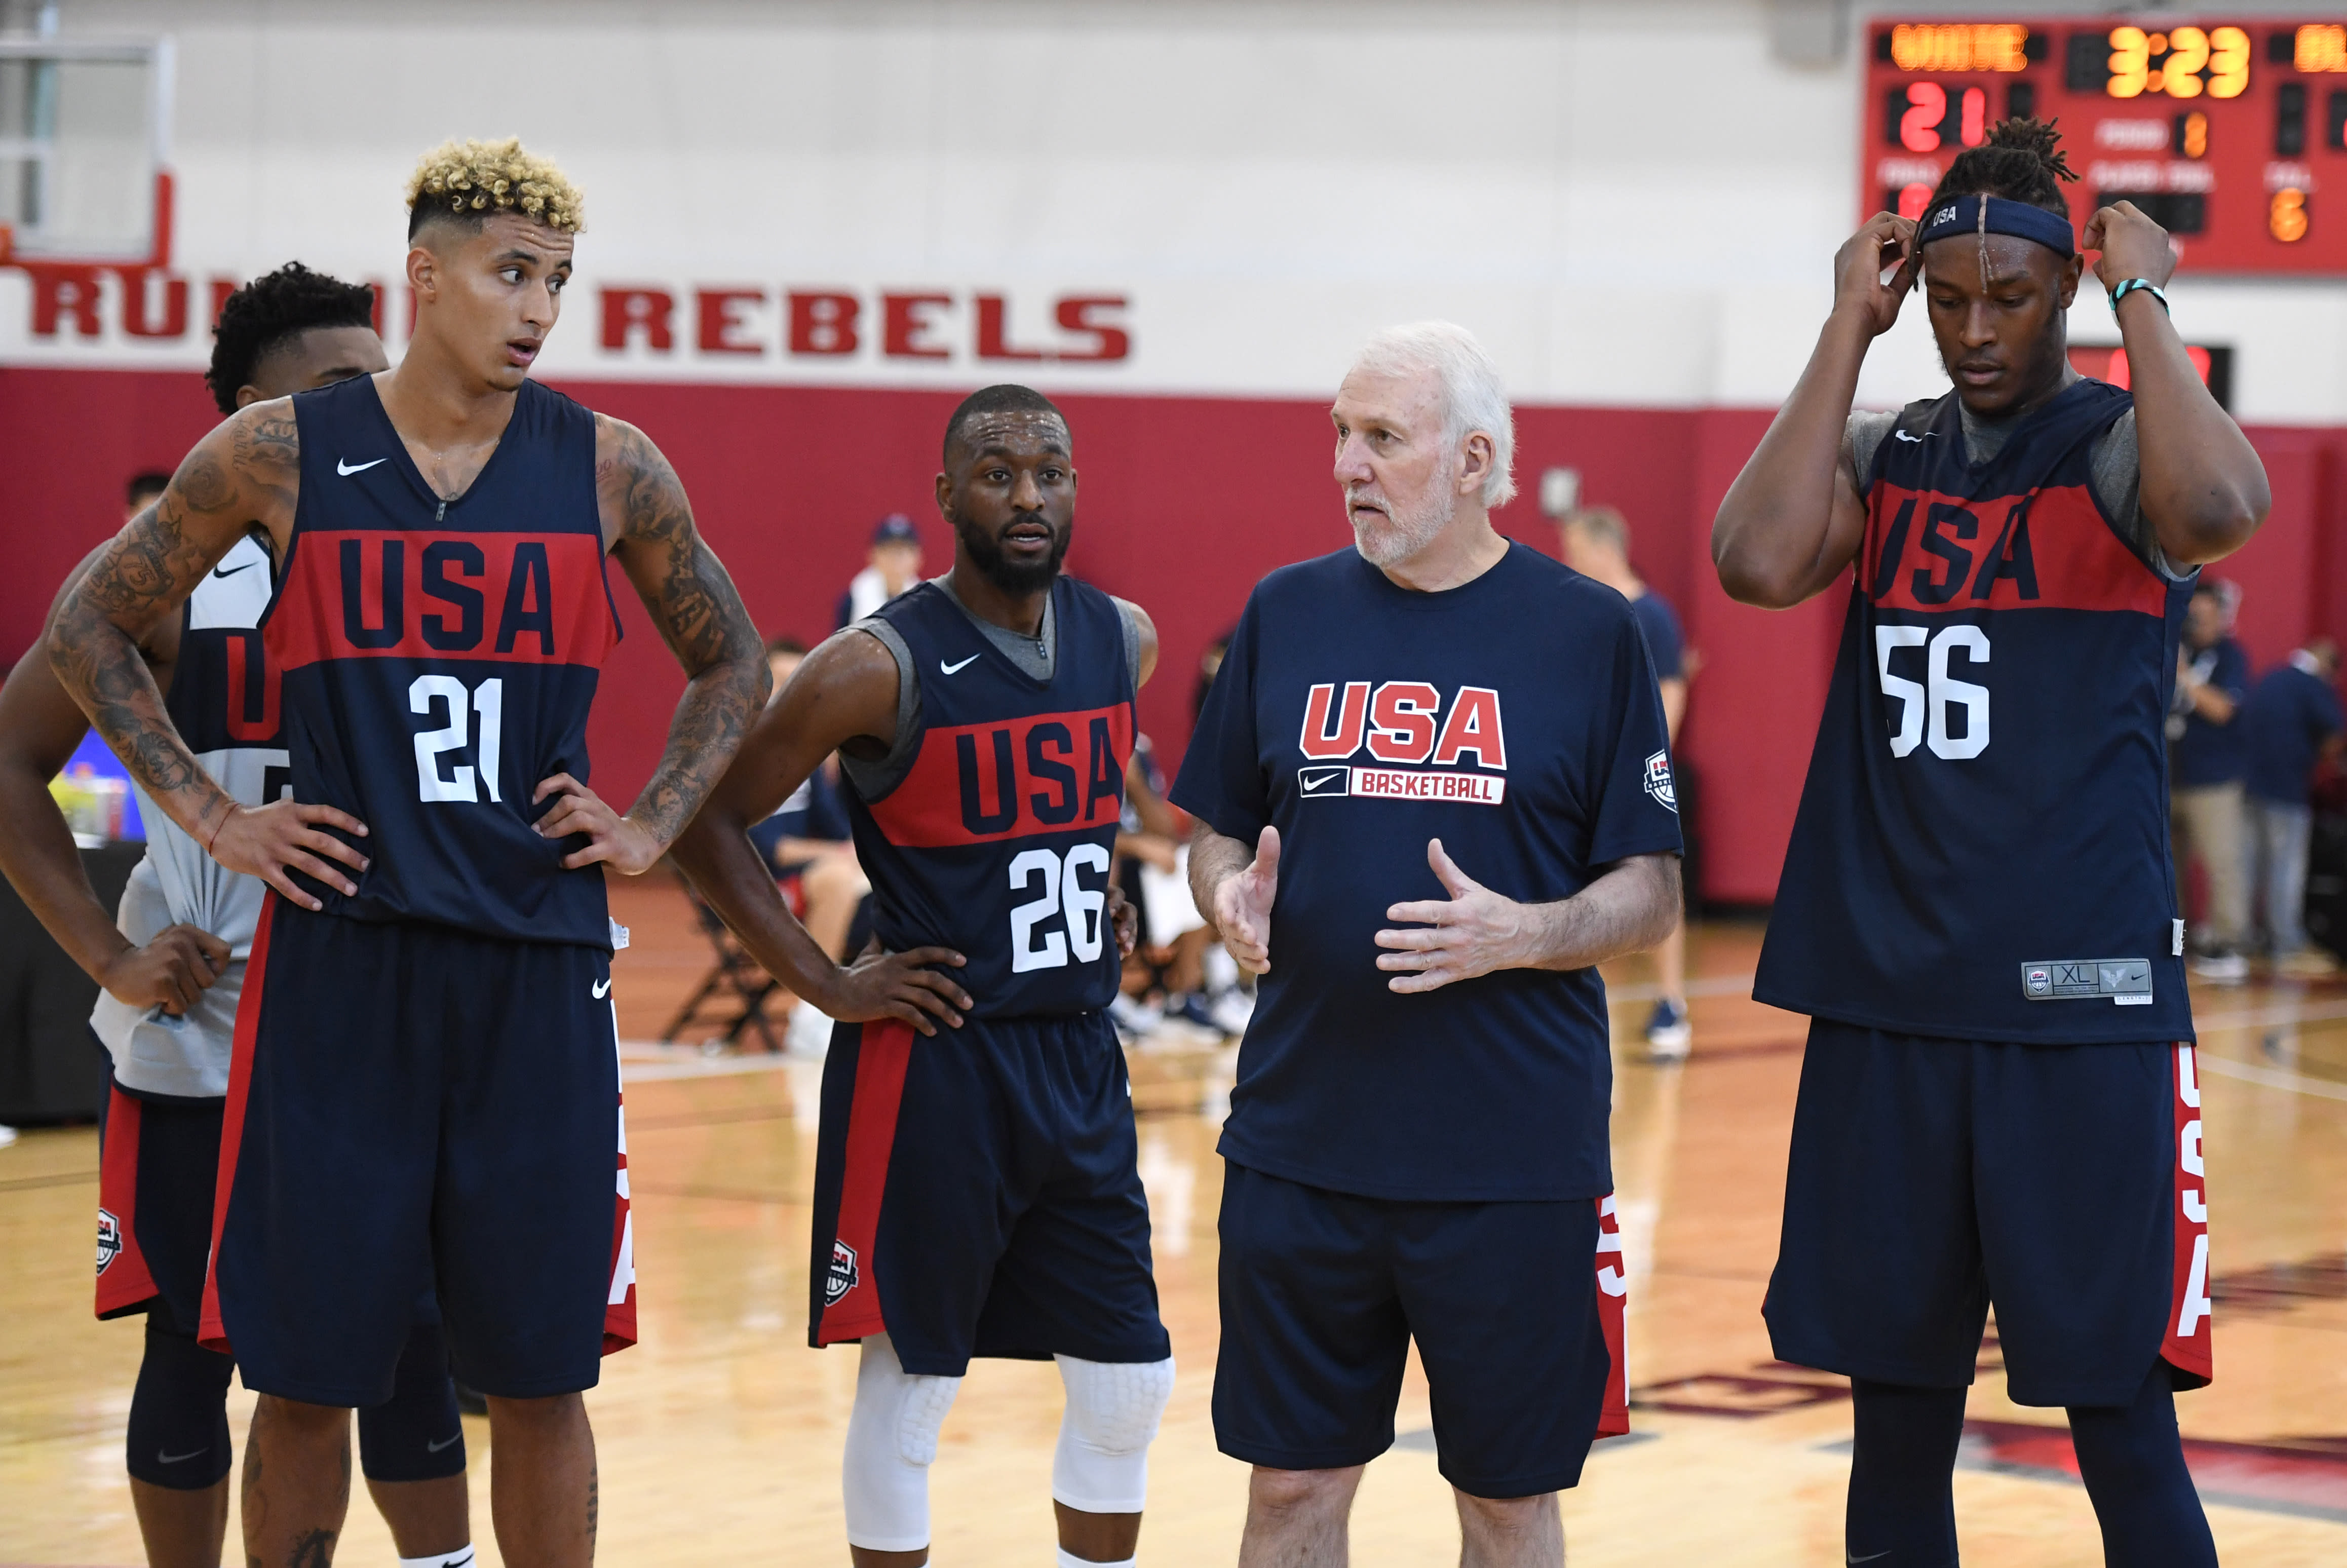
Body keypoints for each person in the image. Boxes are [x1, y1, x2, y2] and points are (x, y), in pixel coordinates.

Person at [44, 138, 769, 1568]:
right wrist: (209, 812)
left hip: (535, 966)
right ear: (424, 276)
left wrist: (650, 818)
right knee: (304, 1373)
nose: (538, 307)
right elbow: (85, 623)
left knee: (545, 1371)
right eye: (511, 272)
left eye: (557, 279)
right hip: (342, 968)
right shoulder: (277, 451)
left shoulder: (610, 462)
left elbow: (735, 659)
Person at [1712, 119, 2268, 1567]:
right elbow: (1756, 560)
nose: (1972, 330)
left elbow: (2221, 508)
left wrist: (2148, 297)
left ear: (2063, 290)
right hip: (1890, 1000)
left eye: (2006, 298)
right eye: (1946, 300)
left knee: (2118, 1421)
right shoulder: (1889, 451)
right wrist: (1850, 316)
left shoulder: (2116, 450)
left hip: (2079, 1015)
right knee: (1895, 1421)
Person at [1175, 322, 1682, 1567]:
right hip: (1302, 1147)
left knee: (1505, 1503)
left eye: (1380, 439)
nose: (1346, 464)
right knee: (1288, 1492)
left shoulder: (1586, 631)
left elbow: (1651, 888)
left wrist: (1529, 932)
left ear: (1470, 459)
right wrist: (1226, 890)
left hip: (1509, 1162)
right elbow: (1211, 834)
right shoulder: (1284, 612)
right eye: (1338, 436)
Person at [0, 262, 475, 1568]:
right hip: (210, 1034)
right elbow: (9, 757)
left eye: (377, 382)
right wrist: (106, 953)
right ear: (245, 418)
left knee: (412, 1338)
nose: (372, 407)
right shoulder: (154, 583)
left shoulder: (436, 554)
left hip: (386, 1022)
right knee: (189, 1344)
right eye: (338, 387)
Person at [673, 385, 1173, 1568]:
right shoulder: (873, 663)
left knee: (1128, 1382)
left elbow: (1105, 806)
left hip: (1078, 1056)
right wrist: (825, 982)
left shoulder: (1123, 637)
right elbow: (708, 824)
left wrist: (1119, 874)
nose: (1028, 496)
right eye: (997, 475)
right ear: (946, 495)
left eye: (1050, 471)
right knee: (912, 1386)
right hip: (938, 1063)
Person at [1560, 504, 1697, 1060]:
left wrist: (1633, 771)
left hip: (1635, 781)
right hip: (1582, 777)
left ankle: (1672, 1004)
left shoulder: (1653, 616)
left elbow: (1669, 702)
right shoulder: (1580, 613)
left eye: (1574, 548)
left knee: (1653, 889)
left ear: (1601, 547)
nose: (1567, 559)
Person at [749, 634, 872, 1055]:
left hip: (811, 871)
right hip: (761, 882)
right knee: (838, 878)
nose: (786, 693)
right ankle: (810, 1015)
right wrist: (834, 854)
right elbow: (768, 848)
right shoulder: (741, 753)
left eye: (795, 682)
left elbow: (837, 829)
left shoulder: (807, 753)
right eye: (778, 682)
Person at [2241, 637, 2345, 977]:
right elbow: (2335, 734)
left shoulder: (2272, 677)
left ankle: (2250, 937)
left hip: (2251, 786)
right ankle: (2285, 941)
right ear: (2328, 665)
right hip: (2286, 789)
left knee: (2251, 867)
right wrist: (2319, 760)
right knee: (2286, 868)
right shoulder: (2313, 685)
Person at [2171, 580, 2253, 982]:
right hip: (2167, 775)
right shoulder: (2170, 649)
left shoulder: (2229, 656)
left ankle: (2226, 943)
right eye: (2191, 615)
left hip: (2213, 780)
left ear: (2221, 615)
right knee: (2167, 867)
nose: (2196, 623)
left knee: (2222, 862)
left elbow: (2222, 709)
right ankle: (2175, 942)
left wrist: (2185, 677)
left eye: (2203, 616)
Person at [834, 512, 926, 629]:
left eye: (903, 552)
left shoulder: (925, 604)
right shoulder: (854, 599)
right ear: (873, 554)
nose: (896, 559)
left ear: (918, 557)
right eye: (889, 550)